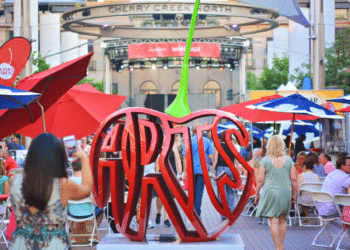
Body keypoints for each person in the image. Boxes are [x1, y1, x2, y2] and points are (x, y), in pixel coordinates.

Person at [9, 133, 93, 249]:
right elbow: (87, 189)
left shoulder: (14, 181)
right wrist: (84, 158)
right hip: (52, 245)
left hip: (21, 244)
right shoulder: (62, 184)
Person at [254, 135, 297, 250]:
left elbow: (260, 180)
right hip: (285, 191)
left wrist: (257, 193)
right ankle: (282, 246)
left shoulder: (265, 160)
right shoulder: (289, 160)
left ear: (269, 145)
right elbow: (293, 178)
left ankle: (276, 246)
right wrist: (294, 193)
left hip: (270, 192)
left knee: (273, 221)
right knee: (283, 220)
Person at [182, 123, 214, 217]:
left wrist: (184, 171)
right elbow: (211, 156)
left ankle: (191, 211)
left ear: (193, 130)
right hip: (202, 170)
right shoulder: (207, 141)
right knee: (199, 192)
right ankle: (197, 212)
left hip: (191, 170)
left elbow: (185, 157)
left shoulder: (189, 141)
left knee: (192, 191)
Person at [68, 161, 103, 244]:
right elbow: (95, 202)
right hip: (88, 213)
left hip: (72, 214)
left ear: (72, 169)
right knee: (101, 211)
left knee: (66, 210)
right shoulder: (88, 182)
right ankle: (92, 235)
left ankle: (73, 236)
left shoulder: (67, 182)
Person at [211, 131, 237, 220]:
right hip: (231, 169)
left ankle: (224, 214)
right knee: (230, 191)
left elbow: (215, 159)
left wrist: (213, 172)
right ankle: (231, 212)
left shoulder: (218, 146)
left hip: (221, 169)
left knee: (222, 192)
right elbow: (236, 159)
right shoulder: (232, 146)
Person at [297, 155, 321, 223]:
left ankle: (307, 218)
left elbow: (298, 190)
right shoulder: (317, 176)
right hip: (315, 200)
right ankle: (317, 218)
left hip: (304, 200)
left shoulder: (301, 176)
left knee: (302, 196)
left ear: (304, 167)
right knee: (308, 196)